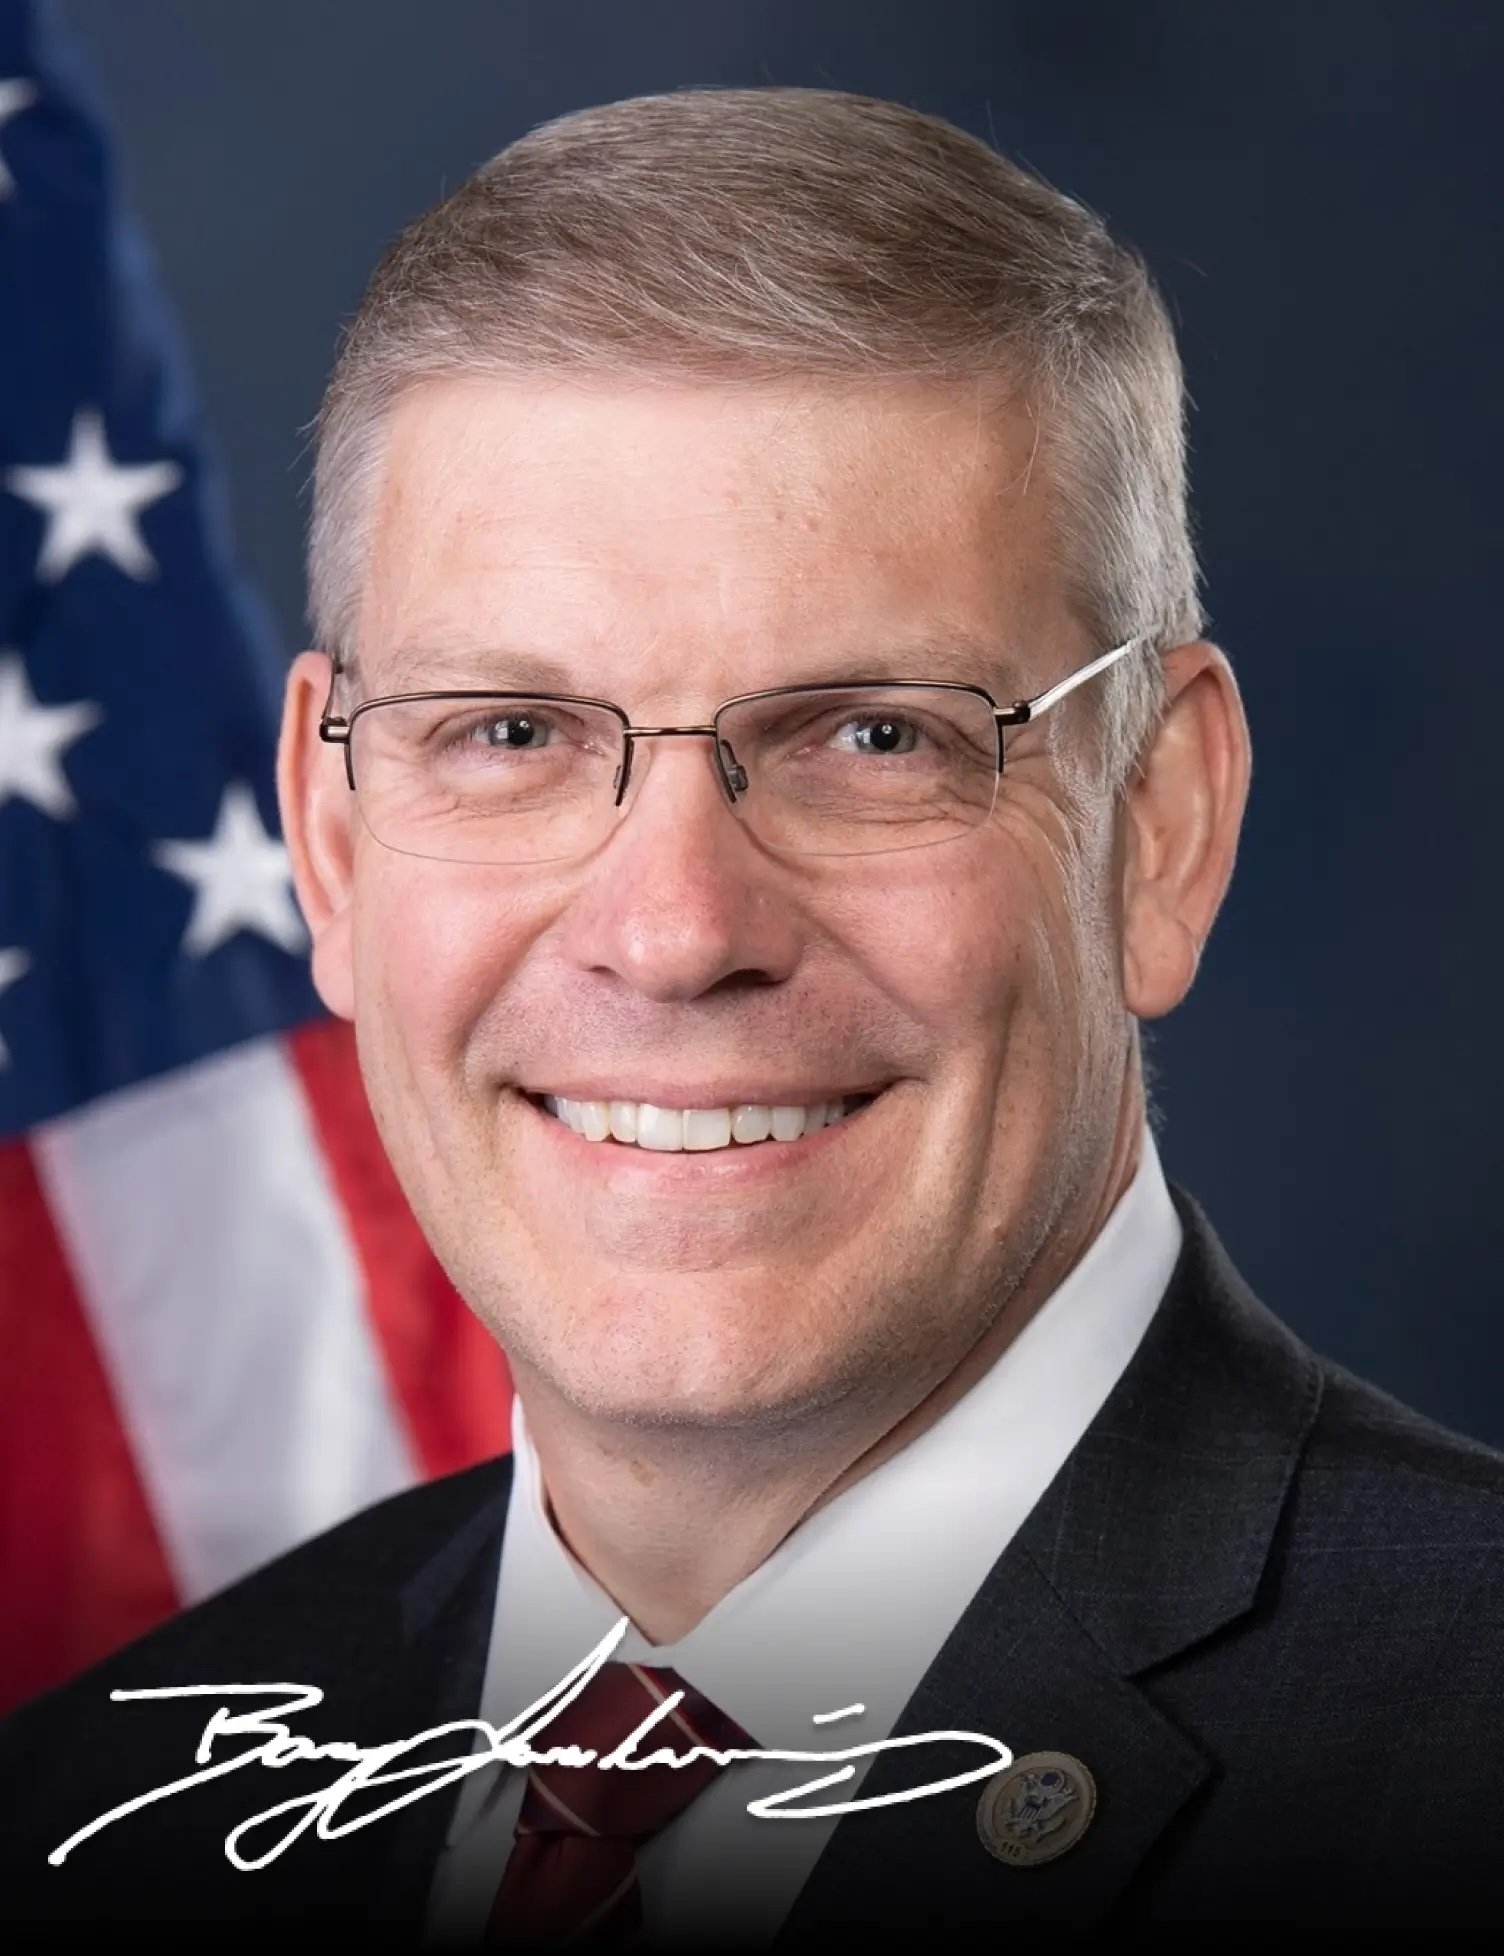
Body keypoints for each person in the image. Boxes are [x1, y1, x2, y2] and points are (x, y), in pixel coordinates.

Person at [5, 85, 1502, 1949]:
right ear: (327, 841)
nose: (673, 929)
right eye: (512, 736)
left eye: (875, 736)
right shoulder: (85, 1825)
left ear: (1160, 828)